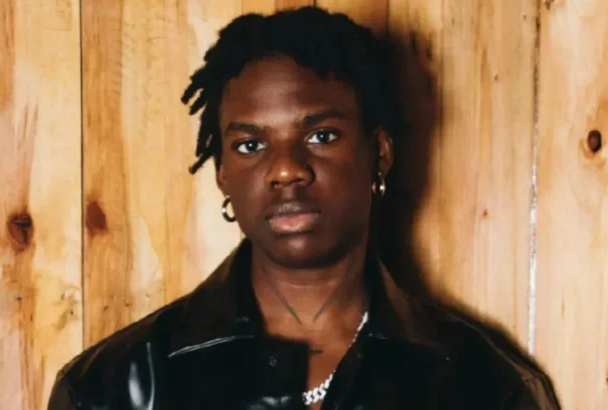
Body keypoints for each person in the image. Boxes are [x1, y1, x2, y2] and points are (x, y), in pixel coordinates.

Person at [48, 6, 560, 410]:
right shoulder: (110, 388)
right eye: (251, 145)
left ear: (379, 154)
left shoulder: (486, 387)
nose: (286, 169)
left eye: (321, 136)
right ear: (223, 173)